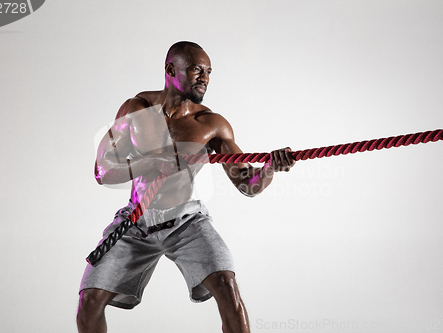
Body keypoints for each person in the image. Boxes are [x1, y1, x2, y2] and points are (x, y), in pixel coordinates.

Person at [77, 41, 296, 333]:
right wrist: (153, 162)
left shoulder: (212, 124)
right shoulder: (136, 109)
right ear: (171, 69)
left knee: (226, 286)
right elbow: (102, 171)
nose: (204, 77)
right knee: (89, 301)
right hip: (136, 223)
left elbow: (248, 185)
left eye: (208, 71)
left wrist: (270, 168)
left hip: (187, 223)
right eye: (196, 69)